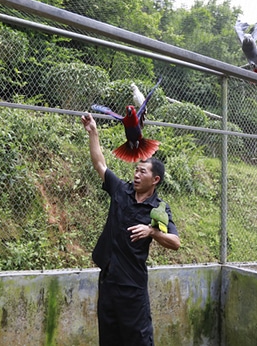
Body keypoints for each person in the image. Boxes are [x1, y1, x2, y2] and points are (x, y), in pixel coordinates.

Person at [81, 113, 181, 346]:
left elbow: (175, 242)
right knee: (109, 339)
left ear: (155, 179)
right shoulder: (120, 190)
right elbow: (100, 164)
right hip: (108, 282)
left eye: (142, 172)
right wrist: (93, 132)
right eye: (136, 170)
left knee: (138, 340)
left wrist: (152, 232)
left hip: (133, 288)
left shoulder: (158, 209)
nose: (136, 175)